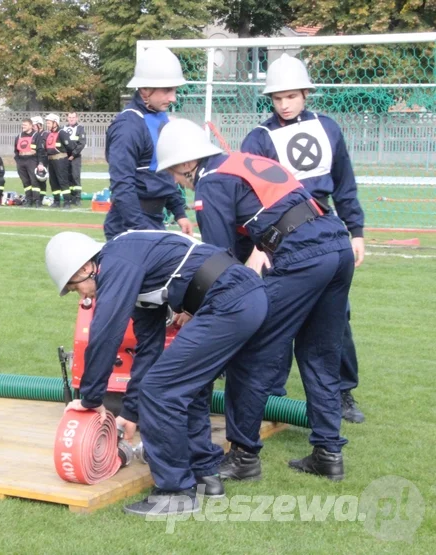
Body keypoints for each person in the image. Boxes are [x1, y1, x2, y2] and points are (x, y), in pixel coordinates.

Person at [157, 118, 354, 481]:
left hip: (302, 255)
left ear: (187, 163)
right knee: (320, 352)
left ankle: (244, 457)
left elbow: (218, 259)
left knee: (251, 354)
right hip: (335, 243)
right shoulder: (242, 162)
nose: (175, 181)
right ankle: (328, 452)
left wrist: (189, 308)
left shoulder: (211, 182)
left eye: (173, 171)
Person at [45, 230, 267, 516]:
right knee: (188, 387)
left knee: (161, 391)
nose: (82, 296)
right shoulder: (133, 274)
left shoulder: (116, 263)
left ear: (87, 268)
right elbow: (148, 349)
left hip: (230, 299)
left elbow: (104, 333)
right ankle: (205, 476)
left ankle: (175, 492)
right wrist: (131, 413)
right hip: (241, 296)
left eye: (75, 287)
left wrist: (90, 399)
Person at [241, 54, 367, 424]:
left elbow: (345, 183)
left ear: (306, 93)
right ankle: (271, 393)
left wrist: (356, 230)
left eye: (291, 96)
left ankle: (342, 392)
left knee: (336, 317)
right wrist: (255, 245)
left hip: (325, 228)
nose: (283, 104)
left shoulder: (328, 129)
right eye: (277, 98)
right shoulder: (259, 138)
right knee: (278, 313)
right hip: (280, 234)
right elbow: (247, 196)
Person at [104, 45, 193, 240]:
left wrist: (179, 212)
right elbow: (122, 184)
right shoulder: (128, 126)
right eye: (167, 90)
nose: (173, 98)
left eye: (175, 90)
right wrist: (141, 230)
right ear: (145, 89)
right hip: (129, 224)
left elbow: (162, 173)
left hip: (153, 220)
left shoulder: (160, 117)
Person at [40, 113, 74, 208]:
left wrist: (69, 156)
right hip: (51, 160)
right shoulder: (49, 134)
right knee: (53, 181)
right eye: (47, 122)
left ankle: (67, 202)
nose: (47, 124)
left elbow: (70, 146)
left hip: (61, 160)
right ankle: (57, 201)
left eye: (49, 122)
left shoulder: (62, 133)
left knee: (63, 181)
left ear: (55, 123)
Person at [14, 118, 44, 206]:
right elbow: (16, 151)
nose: (23, 126)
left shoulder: (36, 135)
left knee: (34, 181)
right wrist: (18, 161)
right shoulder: (19, 136)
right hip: (21, 161)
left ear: (31, 126)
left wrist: (40, 163)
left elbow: (40, 150)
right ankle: (29, 200)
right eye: (22, 125)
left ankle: (37, 200)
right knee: (25, 182)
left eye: (25, 125)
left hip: (32, 161)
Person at [63, 112, 86, 206]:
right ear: (67, 118)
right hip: (65, 157)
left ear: (77, 118)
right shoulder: (63, 128)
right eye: (70, 117)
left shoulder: (80, 128)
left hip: (75, 157)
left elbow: (82, 143)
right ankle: (70, 197)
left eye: (73, 117)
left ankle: (77, 198)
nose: (71, 119)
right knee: (67, 177)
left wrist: (73, 154)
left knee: (75, 176)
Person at [31, 116, 47, 206]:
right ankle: (36, 198)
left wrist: (41, 163)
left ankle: (41, 199)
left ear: (39, 125)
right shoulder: (35, 134)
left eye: (34, 125)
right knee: (35, 180)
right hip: (35, 159)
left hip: (43, 159)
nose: (33, 127)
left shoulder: (44, 134)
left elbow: (42, 149)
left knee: (42, 179)